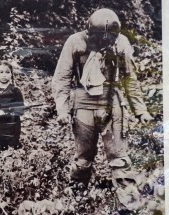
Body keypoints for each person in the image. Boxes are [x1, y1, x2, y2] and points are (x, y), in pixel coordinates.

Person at [52, 8, 153, 212]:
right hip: (83, 102)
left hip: (112, 102)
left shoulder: (121, 43)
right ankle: (77, 201)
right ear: (89, 31)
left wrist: (140, 110)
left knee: (119, 159)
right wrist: (62, 110)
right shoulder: (75, 42)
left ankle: (128, 206)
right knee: (82, 160)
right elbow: (62, 78)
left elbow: (130, 79)